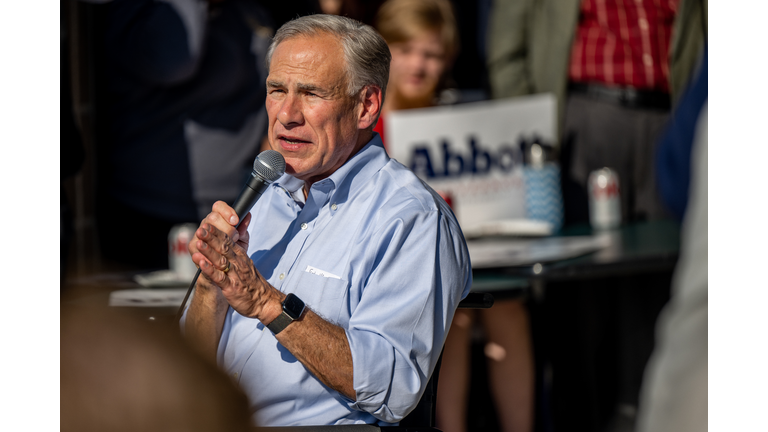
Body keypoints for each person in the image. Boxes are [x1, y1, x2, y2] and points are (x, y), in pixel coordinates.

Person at [180, 14, 472, 427]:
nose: (287, 113)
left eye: (312, 93)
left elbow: (392, 389)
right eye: (277, 90)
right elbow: (187, 366)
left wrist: (266, 302)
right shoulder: (264, 195)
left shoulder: (410, 218)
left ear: (366, 105)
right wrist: (212, 284)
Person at [373, 1, 534, 431]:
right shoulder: (363, 125)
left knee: (507, 306)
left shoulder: (464, 118)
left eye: (432, 54)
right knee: (454, 314)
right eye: (405, 50)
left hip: (480, 251)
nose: (418, 65)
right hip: (400, 267)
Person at [96, 0, 275, 270]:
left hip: (238, 207)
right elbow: (173, 60)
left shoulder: (239, 10)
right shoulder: (149, 11)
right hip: (155, 218)